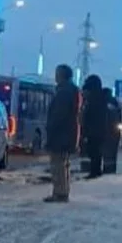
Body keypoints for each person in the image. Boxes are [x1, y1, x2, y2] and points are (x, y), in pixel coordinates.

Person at [44, 64, 81, 203]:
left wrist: (51, 128)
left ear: (62, 75)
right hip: (67, 133)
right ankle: (62, 191)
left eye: (57, 73)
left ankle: (59, 192)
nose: (55, 76)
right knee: (62, 163)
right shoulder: (71, 90)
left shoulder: (64, 92)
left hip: (60, 134)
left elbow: (59, 114)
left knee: (57, 164)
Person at [81, 75, 107, 179]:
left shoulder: (94, 101)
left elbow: (91, 116)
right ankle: (95, 171)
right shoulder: (100, 99)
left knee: (94, 151)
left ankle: (95, 171)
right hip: (98, 130)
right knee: (95, 151)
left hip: (94, 131)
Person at [103, 86, 122, 174]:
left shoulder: (104, 103)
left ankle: (108, 170)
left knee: (108, 153)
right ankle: (110, 170)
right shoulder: (114, 103)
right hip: (114, 131)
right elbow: (119, 117)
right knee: (111, 153)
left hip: (107, 131)